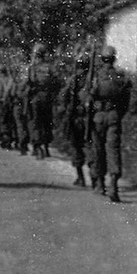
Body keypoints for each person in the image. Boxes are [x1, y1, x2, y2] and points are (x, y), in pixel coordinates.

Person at [91, 45, 132, 203]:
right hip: (114, 116)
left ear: (102, 59)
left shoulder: (96, 76)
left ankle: (100, 184)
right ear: (114, 59)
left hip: (99, 117)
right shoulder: (120, 76)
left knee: (98, 150)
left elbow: (89, 96)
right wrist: (119, 114)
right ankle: (113, 185)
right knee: (113, 150)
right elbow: (126, 100)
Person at [59, 52, 92, 187]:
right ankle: (95, 178)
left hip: (76, 118)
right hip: (89, 118)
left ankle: (81, 177)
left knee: (77, 147)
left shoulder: (73, 80)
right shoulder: (92, 79)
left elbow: (63, 97)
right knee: (91, 147)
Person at [23, 43, 61, 160]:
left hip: (35, 98)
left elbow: (28, 83)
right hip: (48, 99)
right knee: (47, 122)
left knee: (36, 123)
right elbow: (57, 82)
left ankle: (38, 146)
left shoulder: (32, 68)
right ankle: (46, 147)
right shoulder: (50, 67)